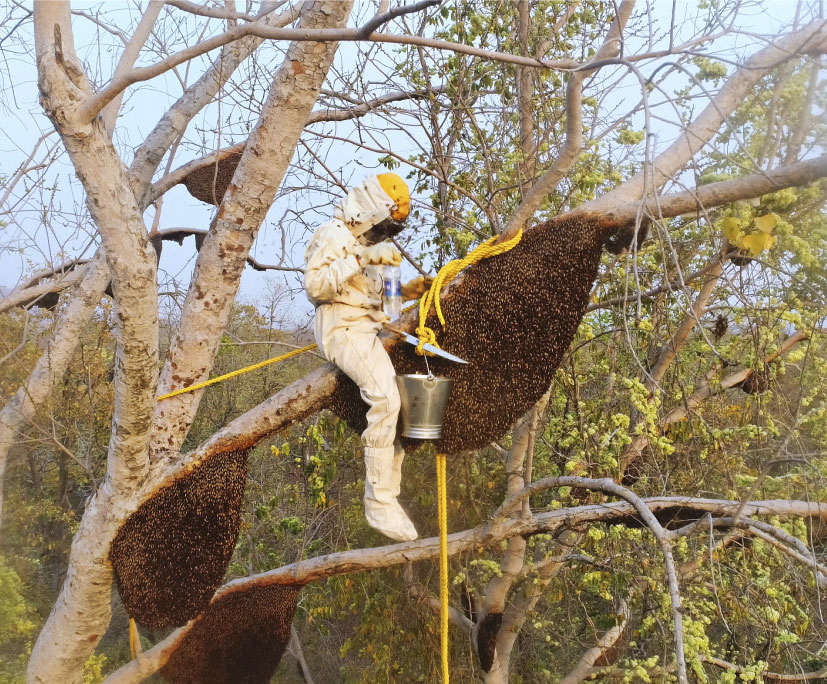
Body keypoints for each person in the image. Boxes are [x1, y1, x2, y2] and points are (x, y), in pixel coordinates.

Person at [304, 173, 430, 541]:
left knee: (403, 404)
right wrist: (359, 257)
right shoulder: (333, 234)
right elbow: (315, 287)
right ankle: (378, 503)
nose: (382, 233)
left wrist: (409, 291)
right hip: (342, 328)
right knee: (386, 400)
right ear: (368, 211)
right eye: (383, 224)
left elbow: (387, 303)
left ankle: (390, 493)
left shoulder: (380, 249)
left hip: (372, 330)